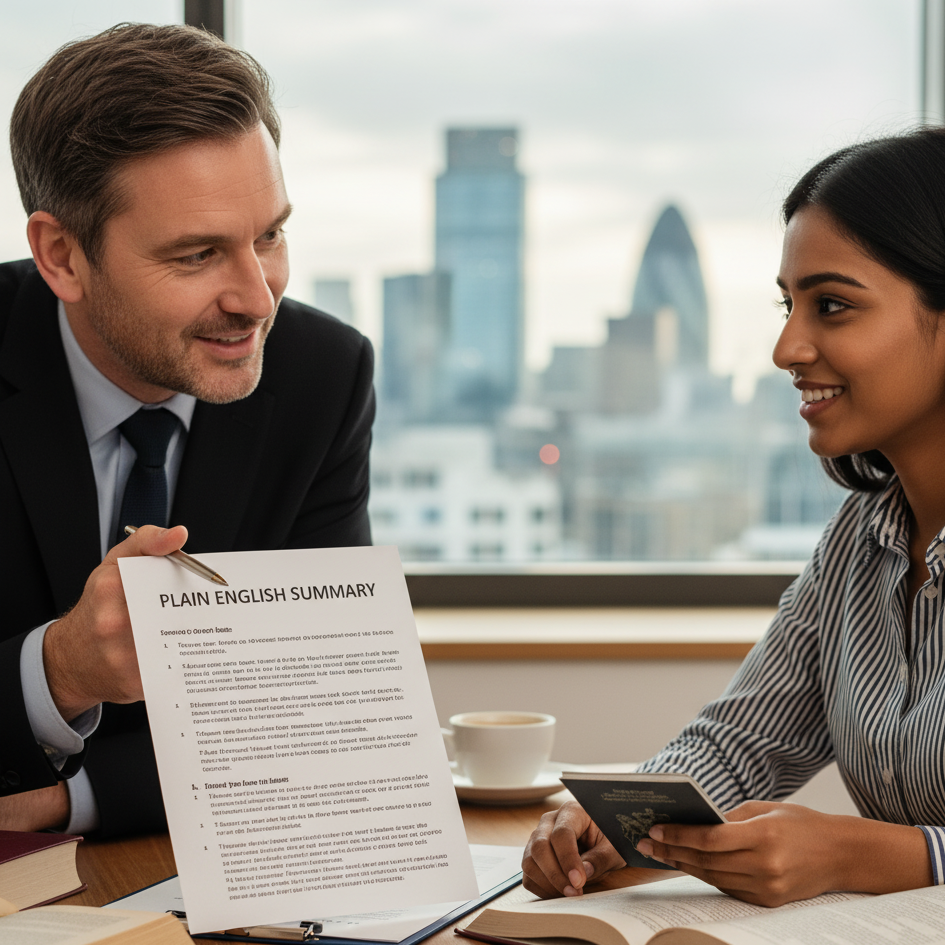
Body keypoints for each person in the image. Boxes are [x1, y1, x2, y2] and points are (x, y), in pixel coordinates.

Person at [523, 128, 945, 907]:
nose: (786, 346)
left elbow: (871, 854)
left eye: (831, 306)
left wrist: (867, 852)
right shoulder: (857, 541)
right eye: (788, 306)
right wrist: (619, 824)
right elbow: (739, 746)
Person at [0, 24, 374, 838]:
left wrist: (72, 798)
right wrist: (57, 670)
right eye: (198, 253)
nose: (257, 298)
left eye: (268, 235)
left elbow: (314, 723)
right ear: (60, 254)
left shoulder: (323, 373)